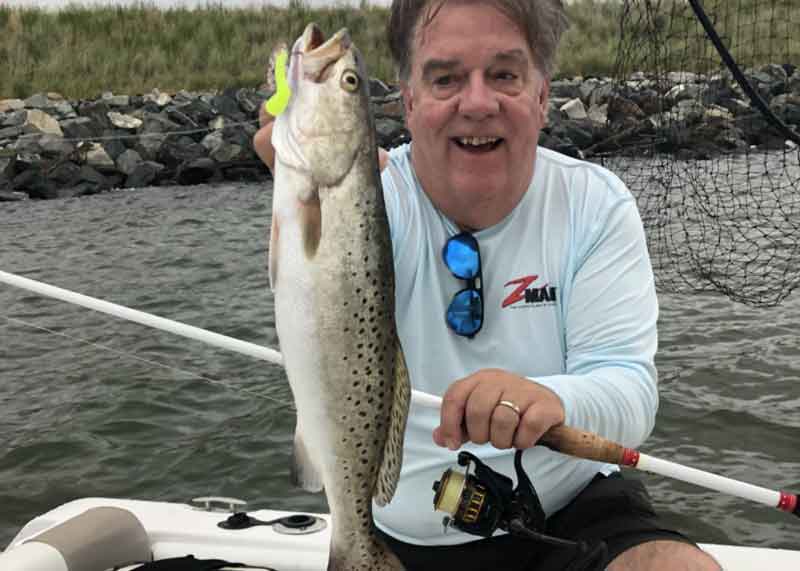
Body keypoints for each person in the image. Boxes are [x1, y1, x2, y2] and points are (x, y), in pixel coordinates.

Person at [253, 0, 721, 569]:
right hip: (398, 529)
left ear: (542, 95)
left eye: (503, 75)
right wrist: (303, 176)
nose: (477, 103)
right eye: (445, 78)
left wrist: (550, 399)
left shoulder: (595, 205)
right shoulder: (372, 199)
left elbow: (630, 390)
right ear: (409, 102)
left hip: (572, 508)